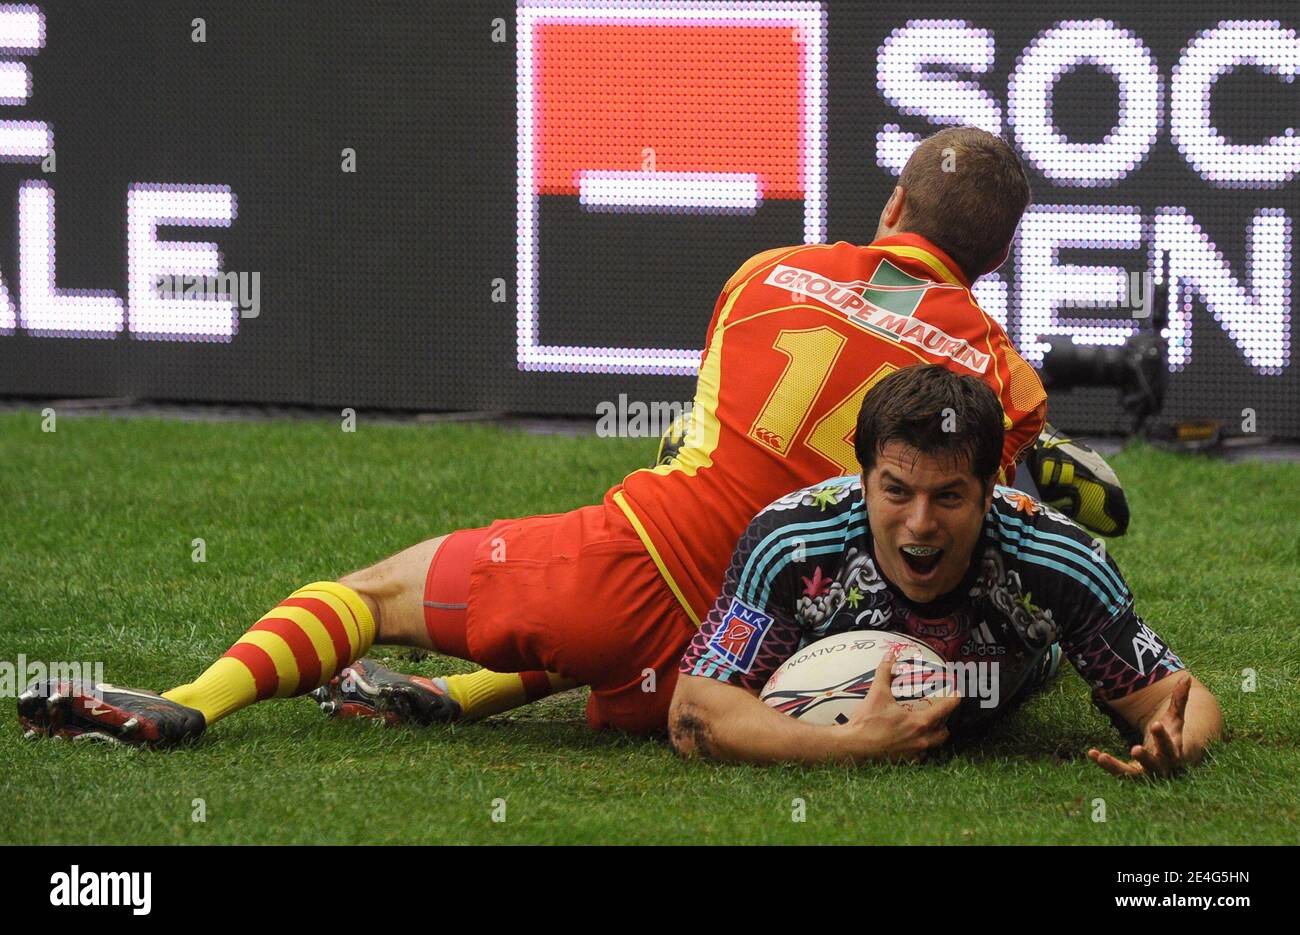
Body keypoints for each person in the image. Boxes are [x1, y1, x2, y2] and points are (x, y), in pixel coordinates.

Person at [22, 127, 1064, 746]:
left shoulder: (764, 274)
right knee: (636, 615)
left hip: (637, 570)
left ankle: (190, 705)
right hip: (770, 652)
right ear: (999, 257)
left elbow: (718, 431)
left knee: (382, 590)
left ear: (892, 204)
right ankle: (454, 695)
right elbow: (959, 525)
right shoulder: (1006, 377)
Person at [669, 365, 1221, 778]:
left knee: (1046, 651)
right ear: (862, 483)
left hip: (1027, 655)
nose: (921, 523)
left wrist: (1177, 744)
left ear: (990, 495)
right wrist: (855, 745)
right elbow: (693, 712)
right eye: (895, 491)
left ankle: (1034, 460)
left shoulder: (1058, 562)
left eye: (949, 496)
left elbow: (1177, 698)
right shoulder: (792, 543)